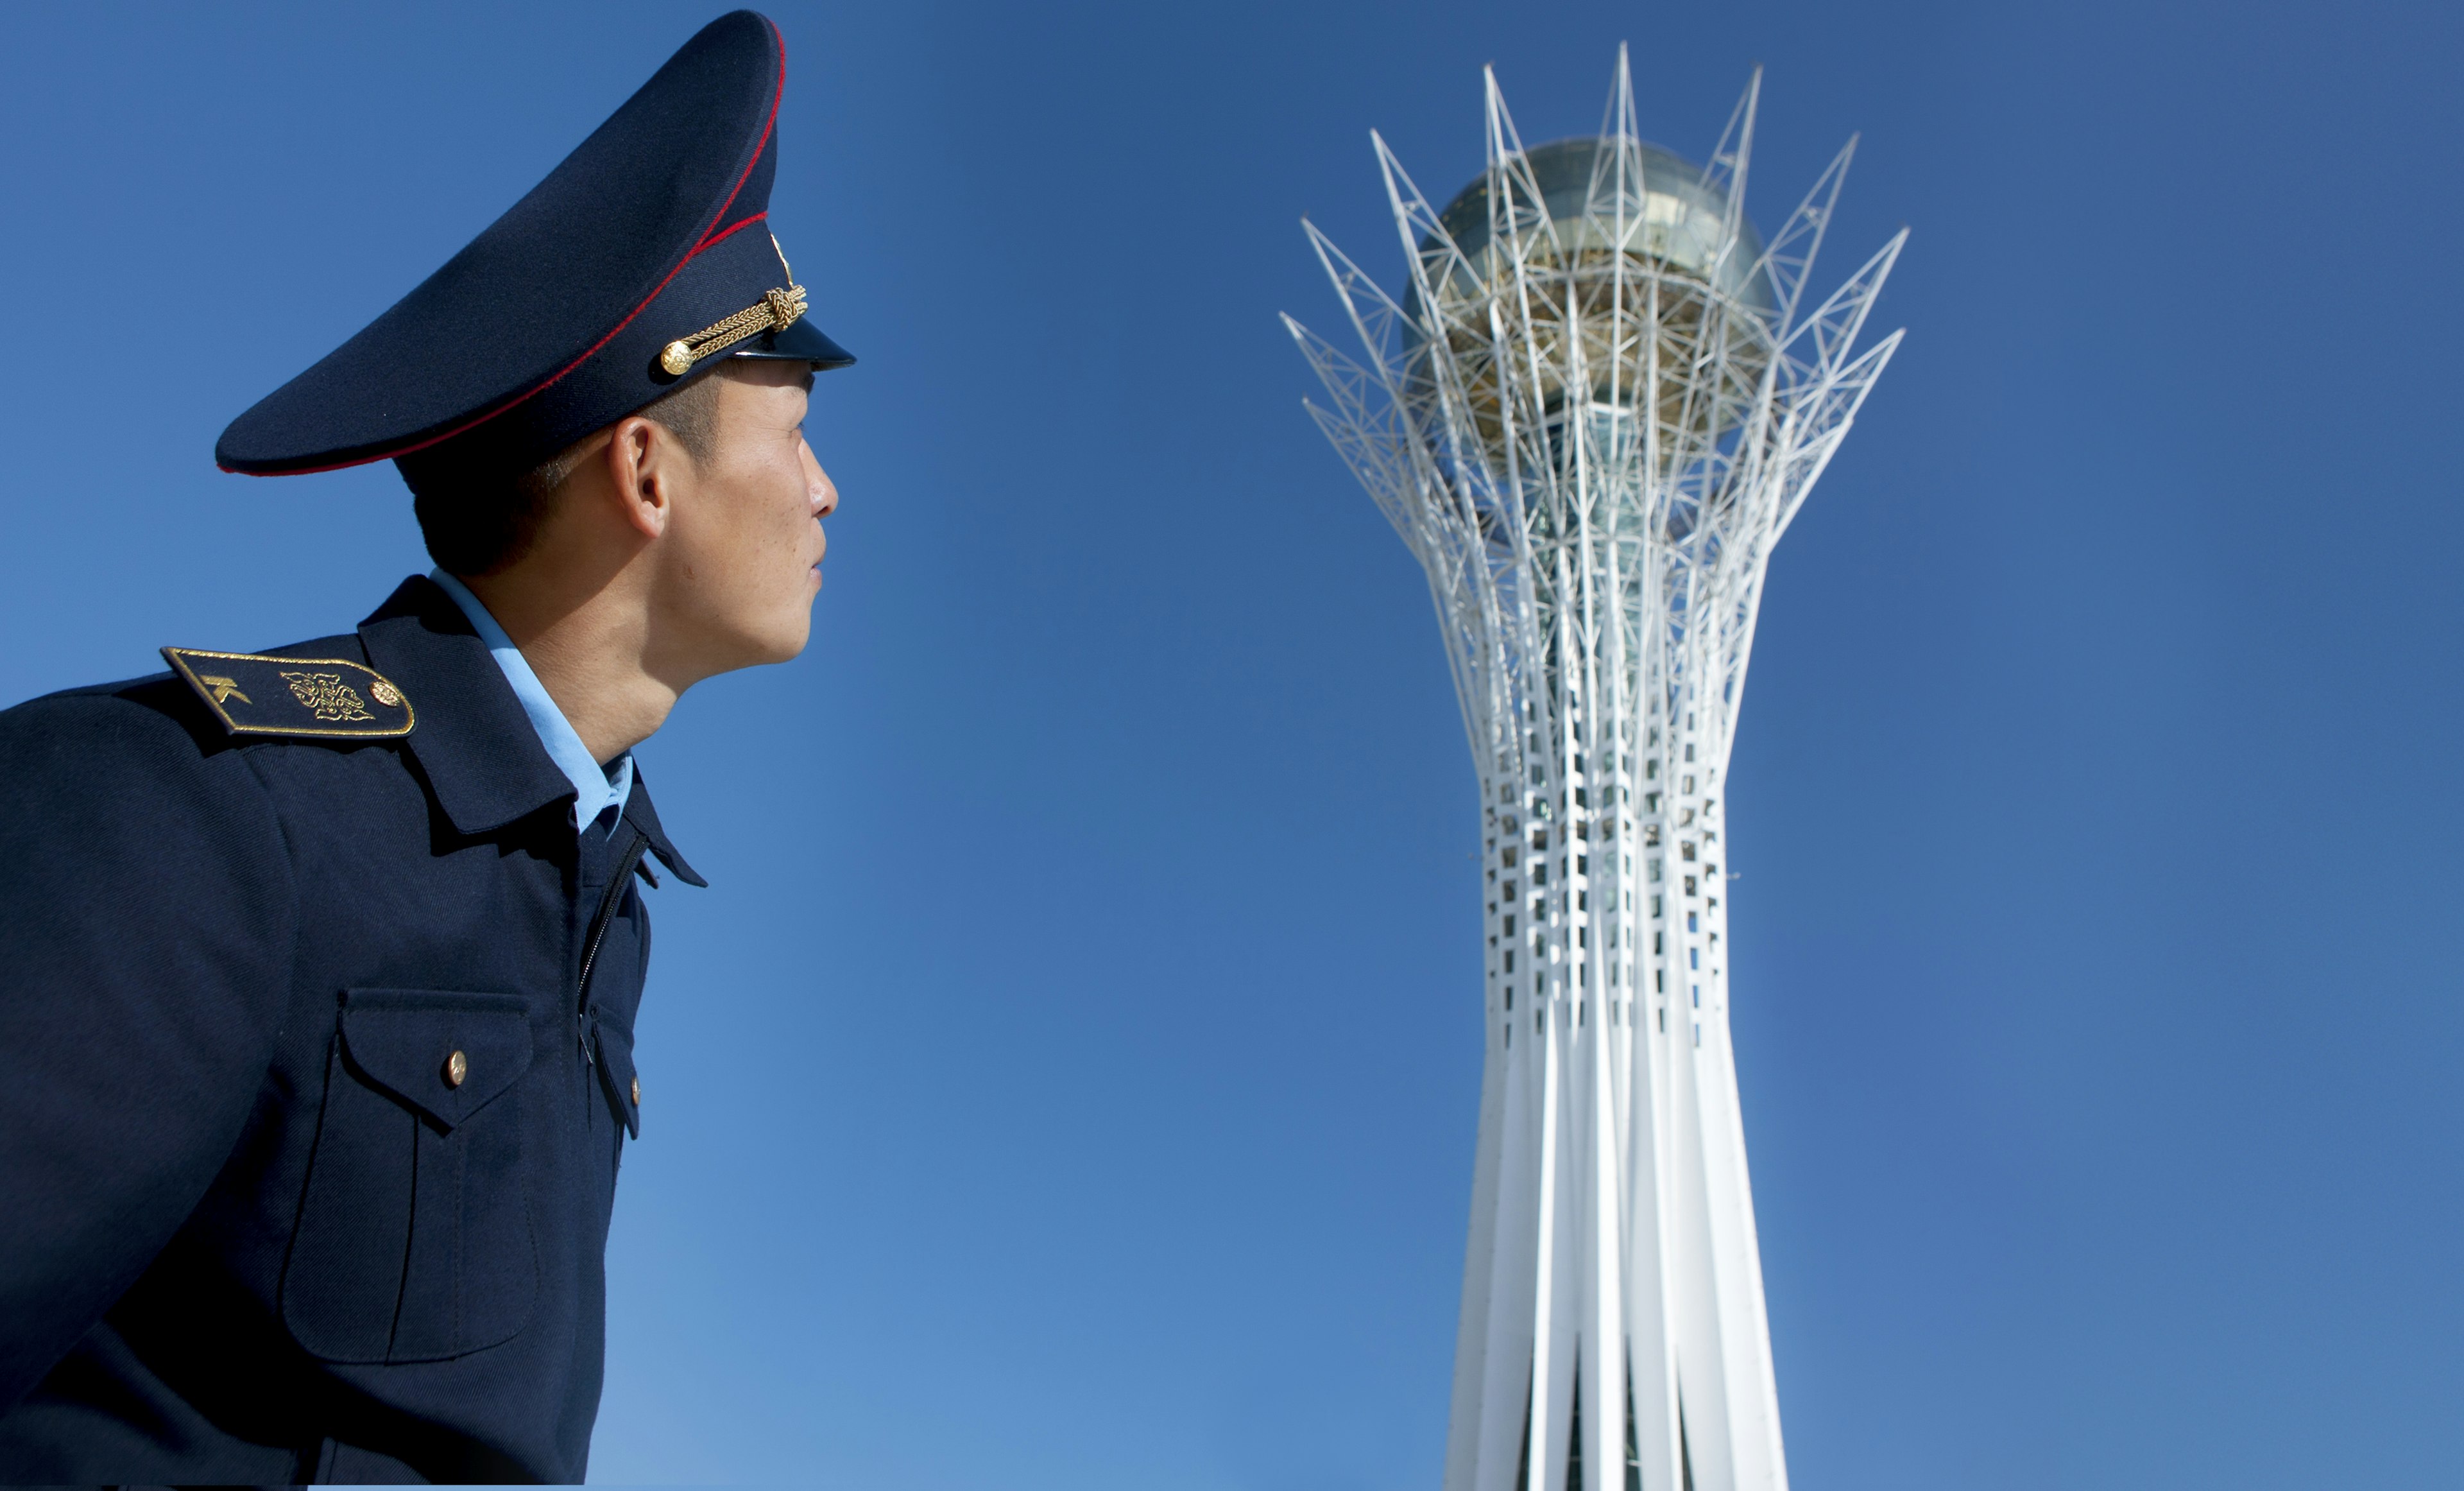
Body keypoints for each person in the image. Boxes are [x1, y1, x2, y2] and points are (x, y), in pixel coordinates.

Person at [0, 11, 852, 1482]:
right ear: (647, 470)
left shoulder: (599, 896)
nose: (830, 495)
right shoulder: (206, 809)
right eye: (797, 436)